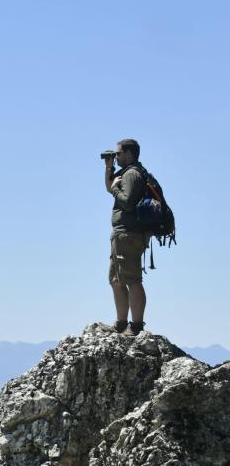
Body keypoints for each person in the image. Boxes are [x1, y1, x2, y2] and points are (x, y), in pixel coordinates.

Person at [104, 138, 148, 335]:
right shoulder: (126, 173)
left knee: (132, 279)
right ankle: (121, 324)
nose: (116, 155)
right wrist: (108, 169)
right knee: (116, 279)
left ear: (129, 154)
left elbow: (128, 202)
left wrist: (115, 188)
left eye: (119, 153)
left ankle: (136, 326)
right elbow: (110, 188)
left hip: (128, 234)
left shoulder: (132, 174)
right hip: (122, 234)